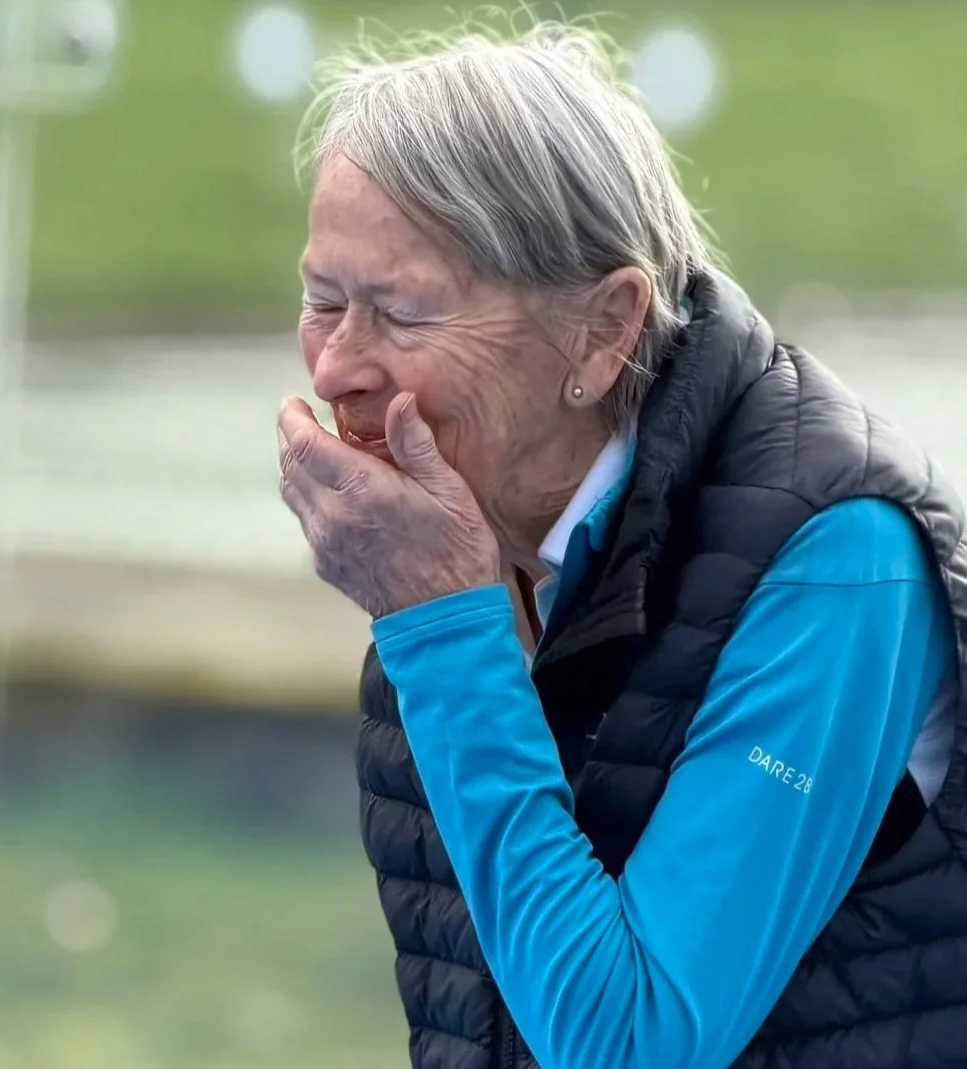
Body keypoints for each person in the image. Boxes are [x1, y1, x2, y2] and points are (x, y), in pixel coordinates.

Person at [275, 12, 967, 1069]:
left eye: (402, 314)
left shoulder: (836, 562)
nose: (336, 370)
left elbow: (629, 1048)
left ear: (602, 331)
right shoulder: (460, 530)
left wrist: (447, 635)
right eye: (323, 302)